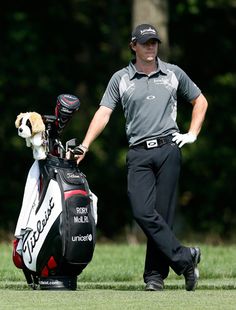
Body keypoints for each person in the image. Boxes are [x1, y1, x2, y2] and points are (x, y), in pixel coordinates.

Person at [75, 23, 208, 291]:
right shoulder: (121, 79)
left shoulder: (172, 73)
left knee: (162, 215)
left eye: (154, 42)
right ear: (133, 46)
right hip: (138, 153)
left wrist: (192, 133)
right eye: (145, 42)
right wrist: (86, 145)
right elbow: (103, 113)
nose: (151, 46)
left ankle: (154, 277)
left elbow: (200, 102)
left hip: (169, 148)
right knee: (142, 211)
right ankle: (185, 258)